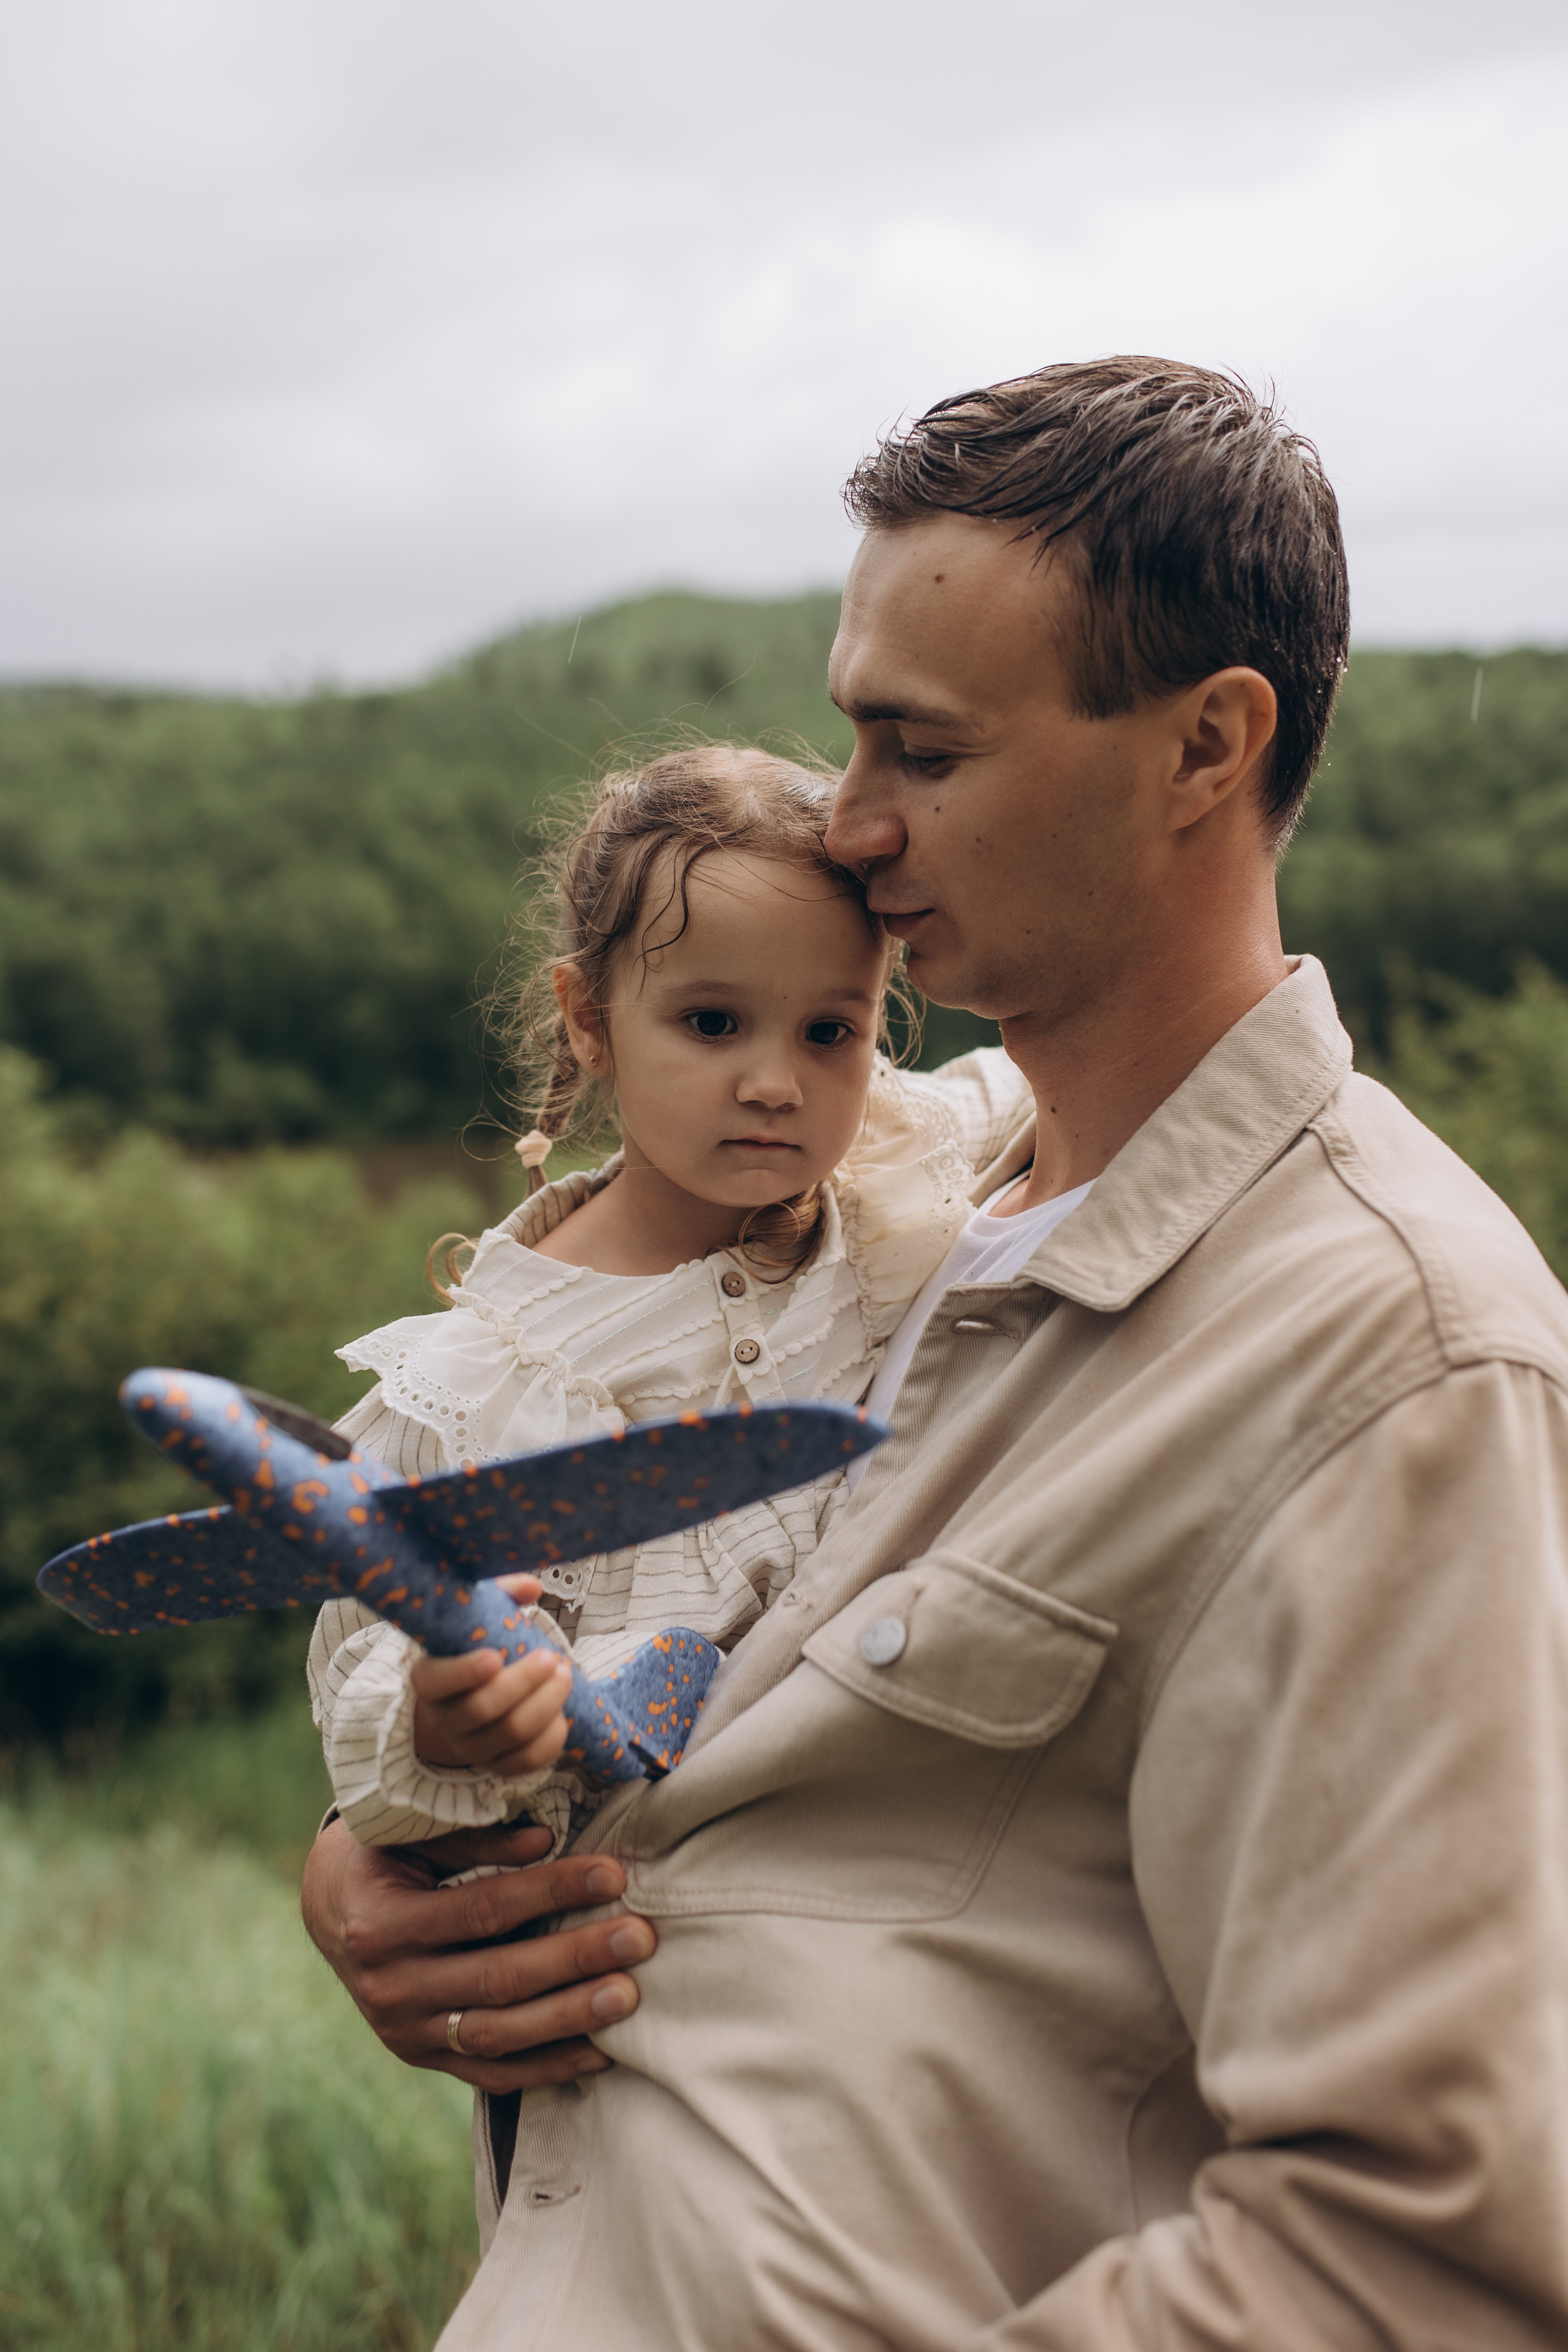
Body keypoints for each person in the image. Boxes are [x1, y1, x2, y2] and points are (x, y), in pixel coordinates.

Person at [302, 359, 1568, 2348]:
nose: (854, 825)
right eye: (848, 740)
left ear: (1205, 749)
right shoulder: (876, 1188)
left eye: (926, 751)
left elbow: (1414, 2248)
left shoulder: (1394, 1357)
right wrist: (376, 1880)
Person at [309, 742, 1027, 1856]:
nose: (776, 1083)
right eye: (712, 1024)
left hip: (910, 1824)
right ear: (589, 1021)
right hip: (654, 1903)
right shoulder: (488, 1385)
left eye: (829, 1031)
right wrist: (442, 1721)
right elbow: (358, 1688)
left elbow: (1064, 1070)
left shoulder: (888, 1175)